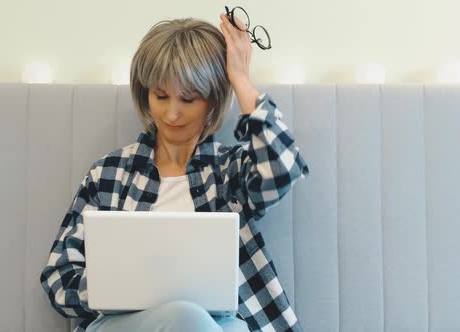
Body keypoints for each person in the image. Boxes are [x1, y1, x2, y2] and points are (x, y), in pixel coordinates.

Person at [39, 10, 310, 332]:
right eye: (161, 96)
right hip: (123, 323)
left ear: (212, 101)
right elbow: (59, 277)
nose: (172, 113)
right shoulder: (109, 174)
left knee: (226, 326)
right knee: (183, 315)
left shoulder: (229, 172)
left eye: (189, 99)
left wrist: (239, 77)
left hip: (220, 323)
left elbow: (282, 168)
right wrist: (116, 287)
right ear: (145, 94)